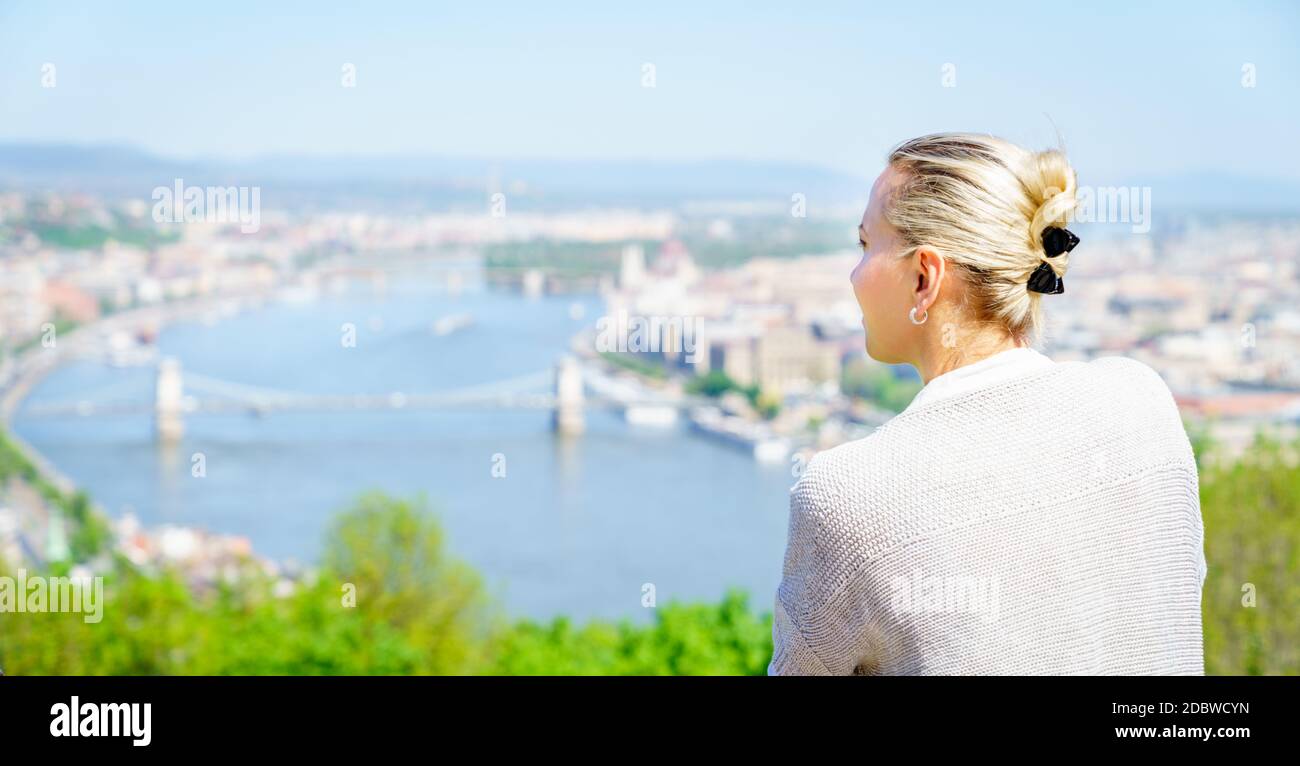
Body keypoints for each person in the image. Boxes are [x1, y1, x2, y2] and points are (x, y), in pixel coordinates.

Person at [768, 133, 1206, 675]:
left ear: (924, 277)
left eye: (864, 246)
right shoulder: (1141, 404)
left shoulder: (851, 494)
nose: (854, 275)